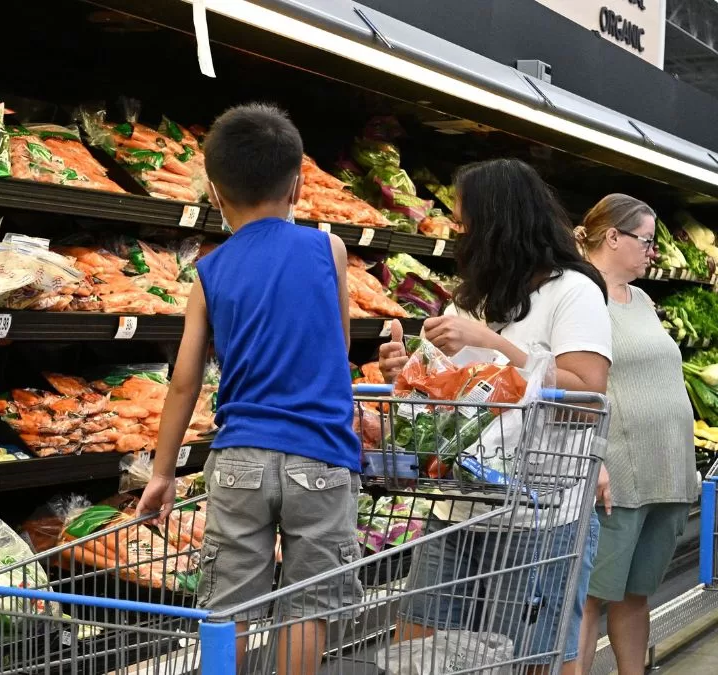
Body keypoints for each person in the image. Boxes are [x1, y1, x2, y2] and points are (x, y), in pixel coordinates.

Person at [136, 103, 361, 675]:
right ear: (298, 183)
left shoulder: (209, 272)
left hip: (238, 458)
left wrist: (162, 474)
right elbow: (337, 351)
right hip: (321, 454)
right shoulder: (327, 250)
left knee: (227, 610)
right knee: (306, 609)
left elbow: (184, 382)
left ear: (214, 191)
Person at [378, 158, 611, 674]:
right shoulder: (474, 300)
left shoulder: (573, 292)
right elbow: (454, 395)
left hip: (540, 514)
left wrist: (495, 345)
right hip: (459, 505)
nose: (458, 234)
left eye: (465, 223)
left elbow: (588, 396)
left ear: (499, 224)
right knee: (419, 644)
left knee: (530, 656)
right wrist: (409, 371)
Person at [572, 195, 698, 675]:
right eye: (646, 240)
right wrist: (594, 455)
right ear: (612, 237)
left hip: (665, 470)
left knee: (634, 592)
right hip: (619, 476)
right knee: (591, 598)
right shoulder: (582, 295)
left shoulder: (642, 298)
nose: (653, 252)